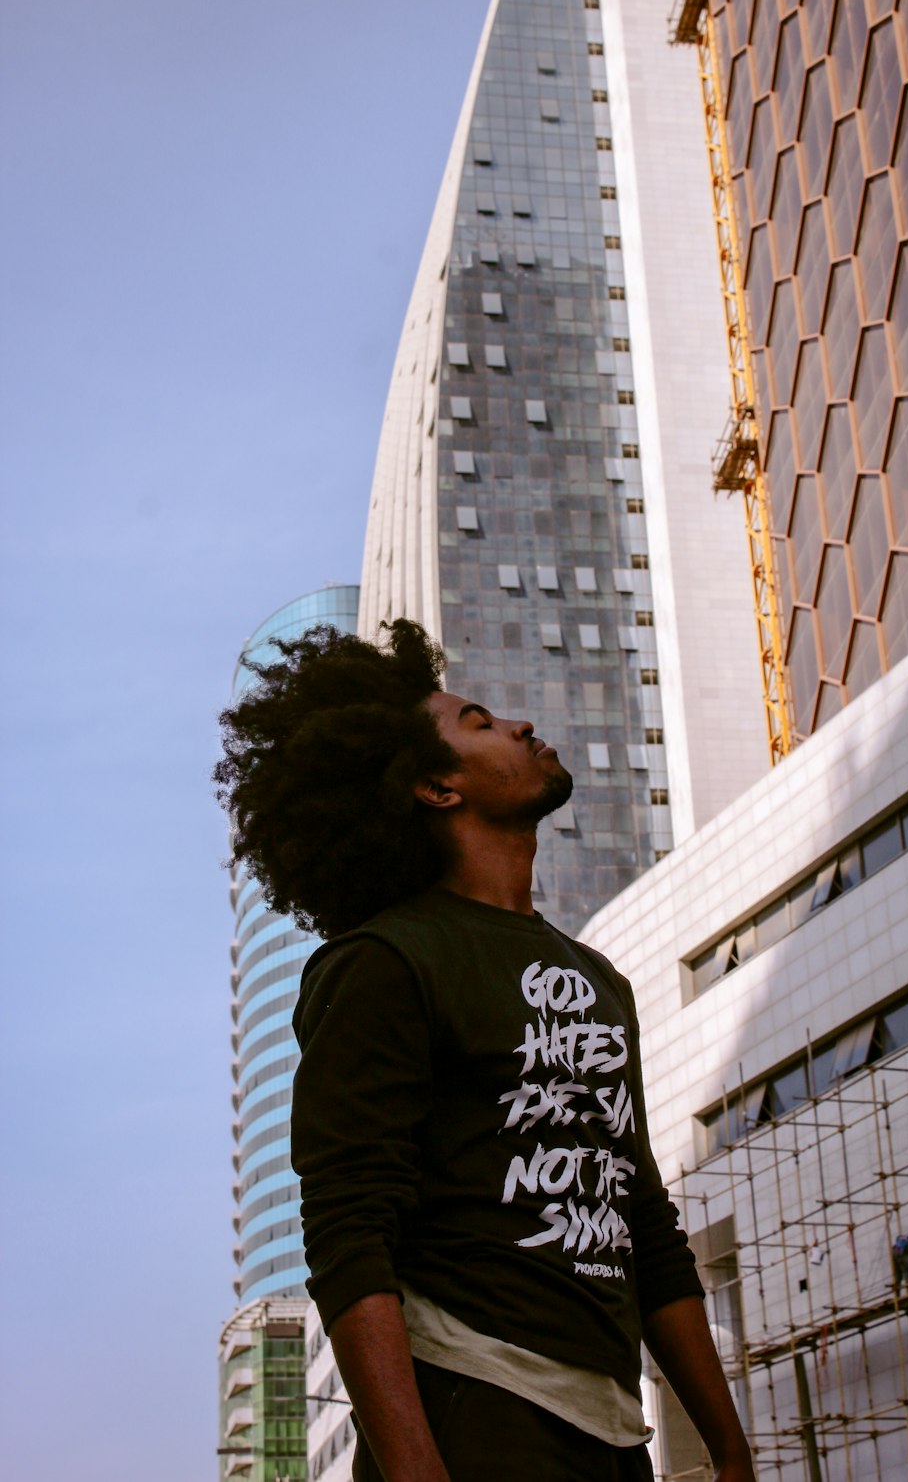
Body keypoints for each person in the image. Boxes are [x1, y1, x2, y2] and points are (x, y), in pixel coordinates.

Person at [215, 619, 755, 1482]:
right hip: (477, 1408)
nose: (517, 724)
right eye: (478, 723)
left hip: (614, 1431)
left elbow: (643, 1222)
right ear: (436, 787)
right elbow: (350, 1238)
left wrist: (732, 1452)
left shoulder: (599, 979)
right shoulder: (382, 964)